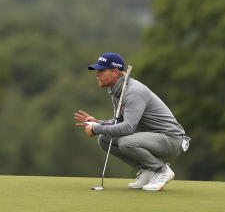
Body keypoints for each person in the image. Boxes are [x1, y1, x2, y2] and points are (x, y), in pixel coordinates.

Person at [74, 52, 190, 191]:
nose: (97, 74)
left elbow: (128, 128)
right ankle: (147, 170)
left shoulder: (133, 91)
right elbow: (120, 122)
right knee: (104, 139)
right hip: (152, 138)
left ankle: (161, 171)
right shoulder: (117, 91)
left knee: (125, 142)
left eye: (101, 71)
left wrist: (96, 128)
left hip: (171, 140)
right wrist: (98, 123)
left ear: (115, 71)